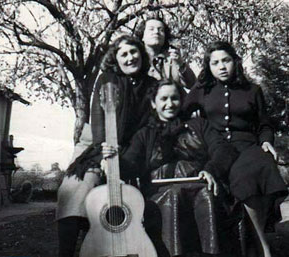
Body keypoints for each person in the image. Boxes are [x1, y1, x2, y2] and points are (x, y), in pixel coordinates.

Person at [102, 80, 239, 257]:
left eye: (174, 98)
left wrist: (211, 169)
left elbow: (223, 149)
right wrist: (113, 160)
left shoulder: (199, 125)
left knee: (206, 195)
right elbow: (130, 165)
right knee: (173, 196)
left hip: (199, 187)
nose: (169, 104)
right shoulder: (144, 134)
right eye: (163, 99)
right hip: (161, 194)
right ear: (153, 103)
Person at [183, 41, 289, 257]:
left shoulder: (252, 90)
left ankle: (261, 245)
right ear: (208, 67)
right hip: (217, 149)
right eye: (215, 63)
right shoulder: (202, 90)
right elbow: (180, 113)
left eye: (226, 60)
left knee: (254, 170)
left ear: (235, 62)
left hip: (249, 146)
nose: (222, 67)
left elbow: (264, 124)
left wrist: (267, 140)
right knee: (237, 176)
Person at [56, 35, 157, 257]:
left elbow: (149, 125)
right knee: (74, 190)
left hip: (134, 149)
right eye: (124, 54)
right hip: (98, 145)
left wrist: (126, 155)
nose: (130, 58)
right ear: (116, 59)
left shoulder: (152, 85)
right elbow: (99, 118)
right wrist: (104, 151)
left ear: (141, 53)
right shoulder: (107, 80)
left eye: (134, 52)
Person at [135, 16, 196, 89]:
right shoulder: (136, 58)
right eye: (151, 29)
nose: (156, 32)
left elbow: (192, 84)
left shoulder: (173, 58)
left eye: (161, 30)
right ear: (142, 36)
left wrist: (180, 64)